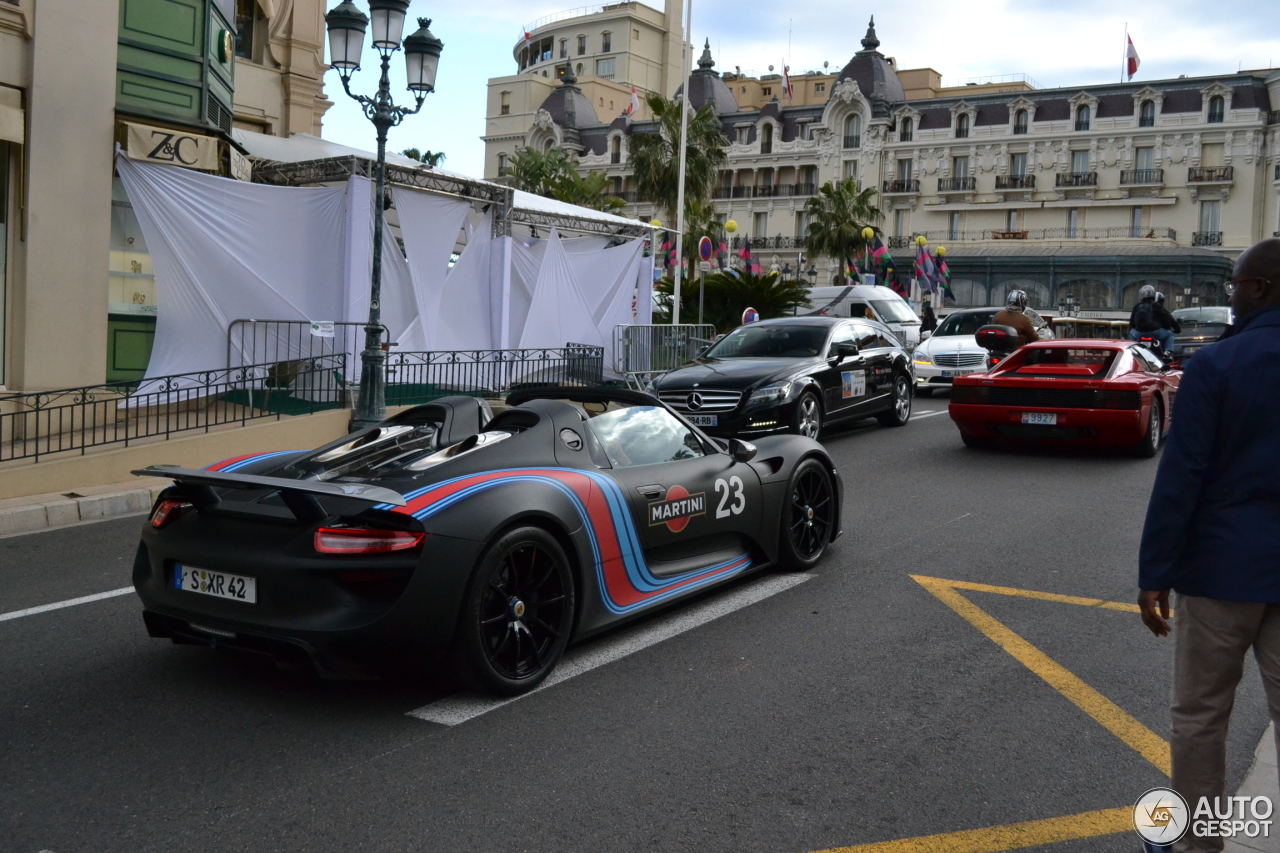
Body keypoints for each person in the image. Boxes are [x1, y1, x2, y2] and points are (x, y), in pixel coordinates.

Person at [1137, 238, 1280, 853]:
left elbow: (1181, 481)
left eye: (1238, 285)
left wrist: (1154, 574)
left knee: (1199, 720)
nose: (1233, 296)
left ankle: (1201, 846)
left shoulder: (1217, 367)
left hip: (1221, 572)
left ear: (1263, 288)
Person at [1128, 284, 1181, 354]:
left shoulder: (1137, 306)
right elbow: (1166, 319)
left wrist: (1137, 328)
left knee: (1131, 333)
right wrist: (1169, 328)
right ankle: (1168, 351)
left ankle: (1133, 350)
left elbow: (1132, 323)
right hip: (1155, 331)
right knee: (1170, 334)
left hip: (1139, 332)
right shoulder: (1157, 306)